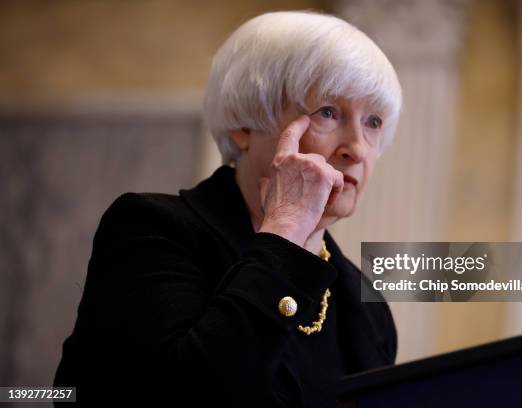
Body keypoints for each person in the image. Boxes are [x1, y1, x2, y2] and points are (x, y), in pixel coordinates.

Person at [54, 10, 402, 407]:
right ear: (245, 123)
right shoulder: (152, 229)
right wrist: (287, 225)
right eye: (327, 112)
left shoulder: (365, 306)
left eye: (373, 122)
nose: (356, 148)